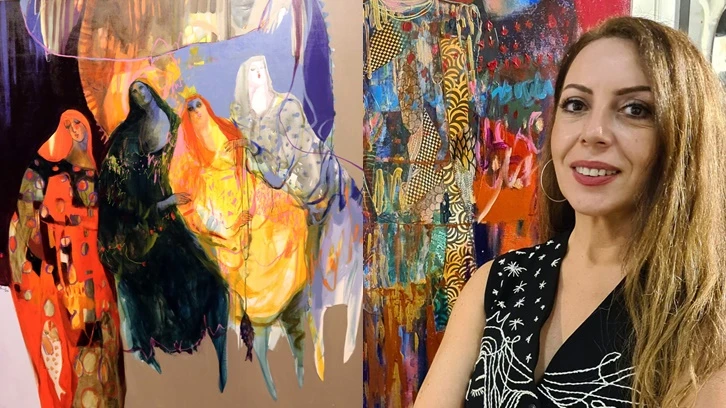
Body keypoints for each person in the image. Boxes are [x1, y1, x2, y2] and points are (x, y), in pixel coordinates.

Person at [415, 16, 726, 407]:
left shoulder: (703, 315)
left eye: (635, 109)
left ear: (684, 137)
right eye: (576, 104)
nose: (593, 132)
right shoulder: (495, 285)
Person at [229, 55, 363, 381]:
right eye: (251, 72)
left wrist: (278, 181)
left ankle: (309, 309)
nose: (258, 76)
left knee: (311, 255)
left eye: (261, 70)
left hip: (313, 186)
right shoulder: (241, 118)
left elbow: (301, 157)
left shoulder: (286, 107)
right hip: (274, 194)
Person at [170, 91, 309, 400]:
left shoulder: (224, 127)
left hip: (246, 188)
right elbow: (193, 199)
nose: (196, 111)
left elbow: (248, 157)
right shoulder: (190, 149)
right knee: (241, 257)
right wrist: (230, 223)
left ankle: (285, 296)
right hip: (220, 203)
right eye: (190, 109)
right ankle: (257, 314)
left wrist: (243, 146)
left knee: (290, 214)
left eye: (199, 105)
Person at [97, 79, 230, 391]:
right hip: (138, 229)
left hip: (168, 217)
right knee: (148, 290)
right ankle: (154, 367)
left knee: (211, 279)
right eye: (134, 92)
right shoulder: (127, 140)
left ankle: (221, 356)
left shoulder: (171, 120)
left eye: (143, 88)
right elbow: (117, 193)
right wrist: (163, 203)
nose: (140, 94)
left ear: (151, 92)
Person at [8, 110, 125, 407]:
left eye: (78, 124)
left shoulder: (99, 173)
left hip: (95, 272)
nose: (74, 129)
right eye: (68, 125)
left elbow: (109, 221)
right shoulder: (47, 167)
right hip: (65, 268)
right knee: (71, 338)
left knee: (99, 341)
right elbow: (28, 216)